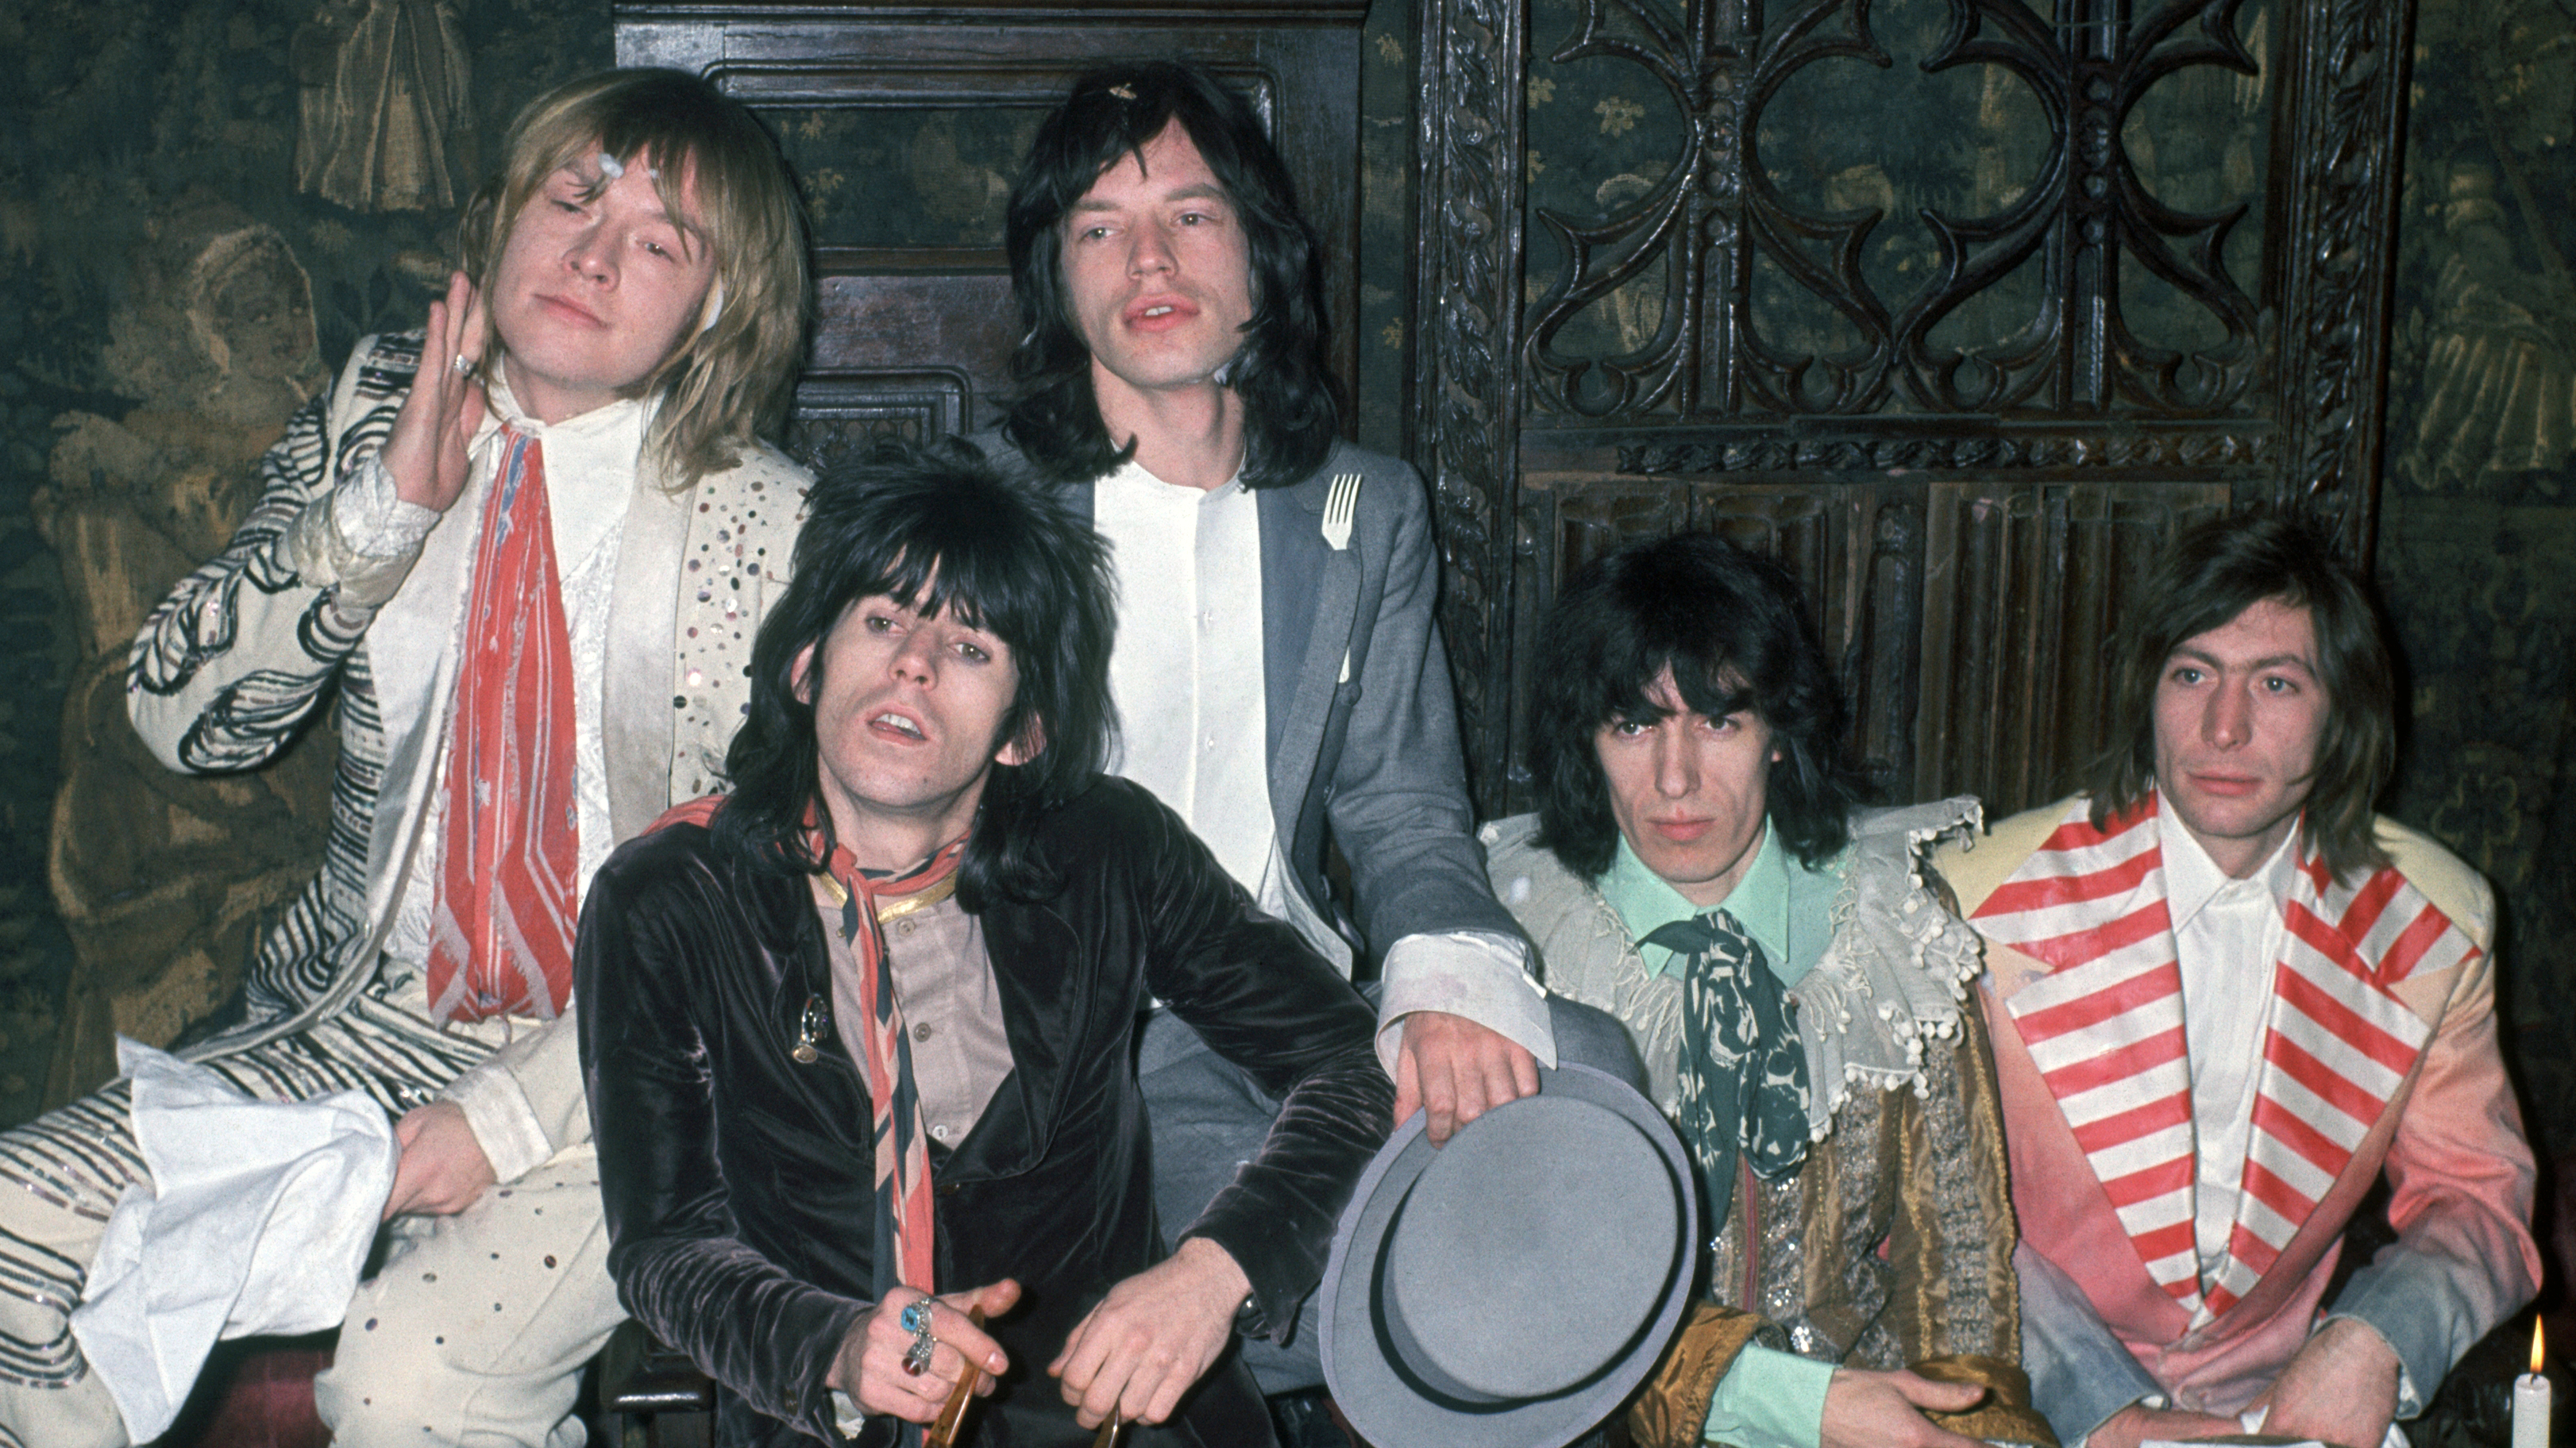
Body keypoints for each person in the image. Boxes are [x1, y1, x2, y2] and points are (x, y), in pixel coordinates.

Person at [0, 67, 812, 1448]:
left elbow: (776, 903)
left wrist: (505, 1119)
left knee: (409, 1388)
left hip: (637, 1048)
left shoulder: (776, 527)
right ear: (501, 217)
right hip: (364, 1019)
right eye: (570, 199)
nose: (593, 255)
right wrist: (378, 516)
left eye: (661, 243)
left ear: (719, 308)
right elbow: (177, 723)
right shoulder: (379, 404)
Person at [976, 60, 1631, 1401]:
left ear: (1261, 258)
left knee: (1593, 1085)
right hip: (1099, 1035)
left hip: (1301, 998)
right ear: (1056, 278)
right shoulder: (983, 511)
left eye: (1190, 214)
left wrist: (1441, 985)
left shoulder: (1362, 508)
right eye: (1098, 226)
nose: (1148, 259)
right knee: (1349, 1266)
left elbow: (1399, 802)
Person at [578, 437, 1391, 1446]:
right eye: (882, 621)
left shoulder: (1107, 850)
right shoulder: (667, 897)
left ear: (1022, 732)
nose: (913, 664)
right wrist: (836, 1345)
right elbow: (664, 1247)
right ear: (805, 666)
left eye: (970, 649)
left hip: (1121, 1425)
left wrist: (1215, 1271)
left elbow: (1351, 1064)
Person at [1940, 510, 2539, 1448]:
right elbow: (1924, 1214)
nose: (2224, 728)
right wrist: (2104, 1410)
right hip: (2021, 1394)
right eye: (2192, 675)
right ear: (2147, 692)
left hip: (2287, 1408)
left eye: (2275, 683)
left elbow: (2476, 1197)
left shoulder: (2430, 926)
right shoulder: (1975, 907)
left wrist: (2374, 1340)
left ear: (2342, 712)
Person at [1480, 532, 2054, 1448]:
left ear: (1778, 735)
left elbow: (1958, 1251)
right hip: (1604, 1418)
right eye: (1633, 726)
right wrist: (1795, 1407)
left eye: (1718, 722)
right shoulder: (1515, 939)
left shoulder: (1888, 914)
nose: (1675, 781)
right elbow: (1529, 1282)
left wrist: (1968, 1427)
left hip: (1878, 1408)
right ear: (1586, 742)